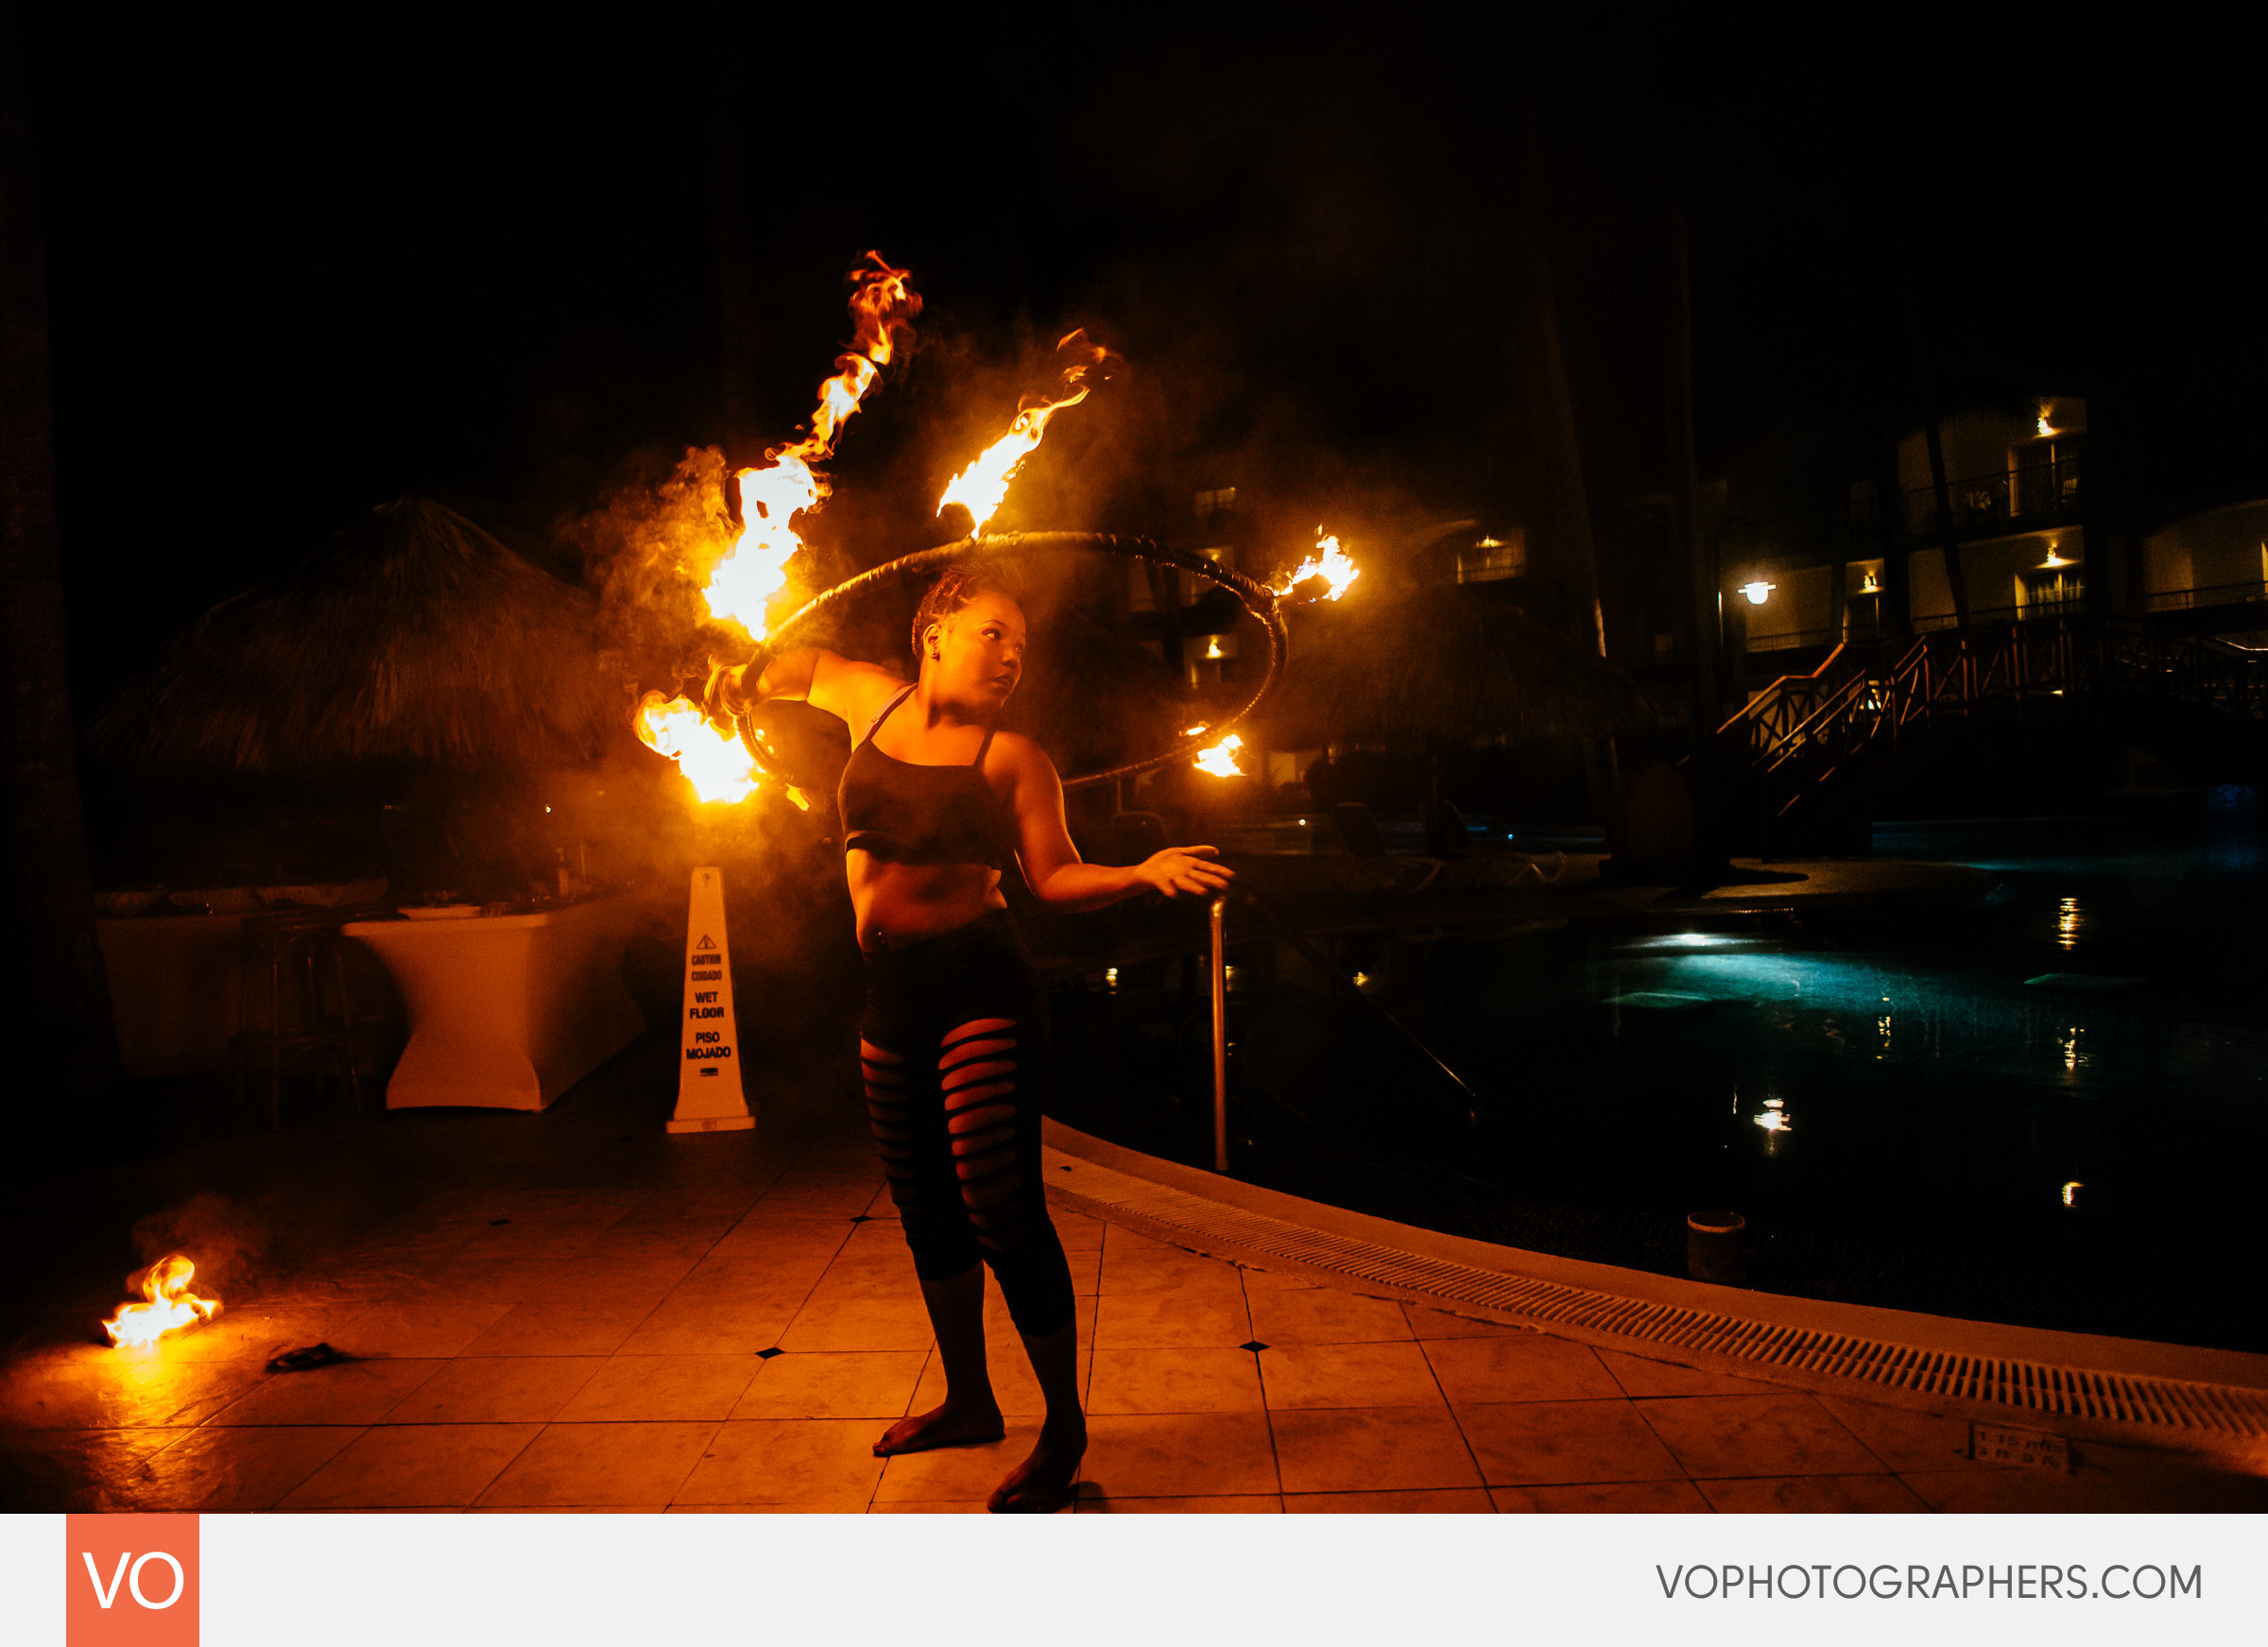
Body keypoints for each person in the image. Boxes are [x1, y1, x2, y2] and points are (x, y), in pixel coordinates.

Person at [705, 566, 1234, 1512]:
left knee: (999, 1204)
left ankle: (1063, 1428)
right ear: (937, 628)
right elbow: (775, 670)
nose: (1012, 657)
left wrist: (1141, 872)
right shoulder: (868, 698)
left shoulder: (1015, 758)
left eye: (1021, 647)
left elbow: (1053, 877)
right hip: (889, 993)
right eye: (996, 633)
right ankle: (968, 1399)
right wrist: (728, 671)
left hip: (980, 986)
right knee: (925, 1208)